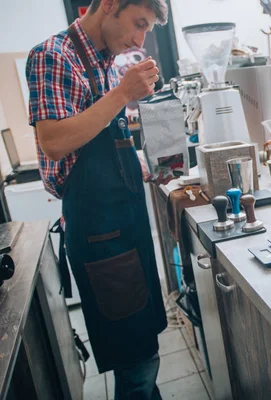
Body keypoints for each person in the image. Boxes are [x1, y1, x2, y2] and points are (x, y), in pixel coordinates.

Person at [26, 0, 171, 398]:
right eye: (137, 24)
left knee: (145, 353)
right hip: (100, 236)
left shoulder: (105, 61)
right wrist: (123, 92)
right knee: (136, 363)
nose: (139, 39)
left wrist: (132, 157)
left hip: (124, 229)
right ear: (108, 4)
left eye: (147, 30)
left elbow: (93, 133)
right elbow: (55, 142)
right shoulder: (53, 56)